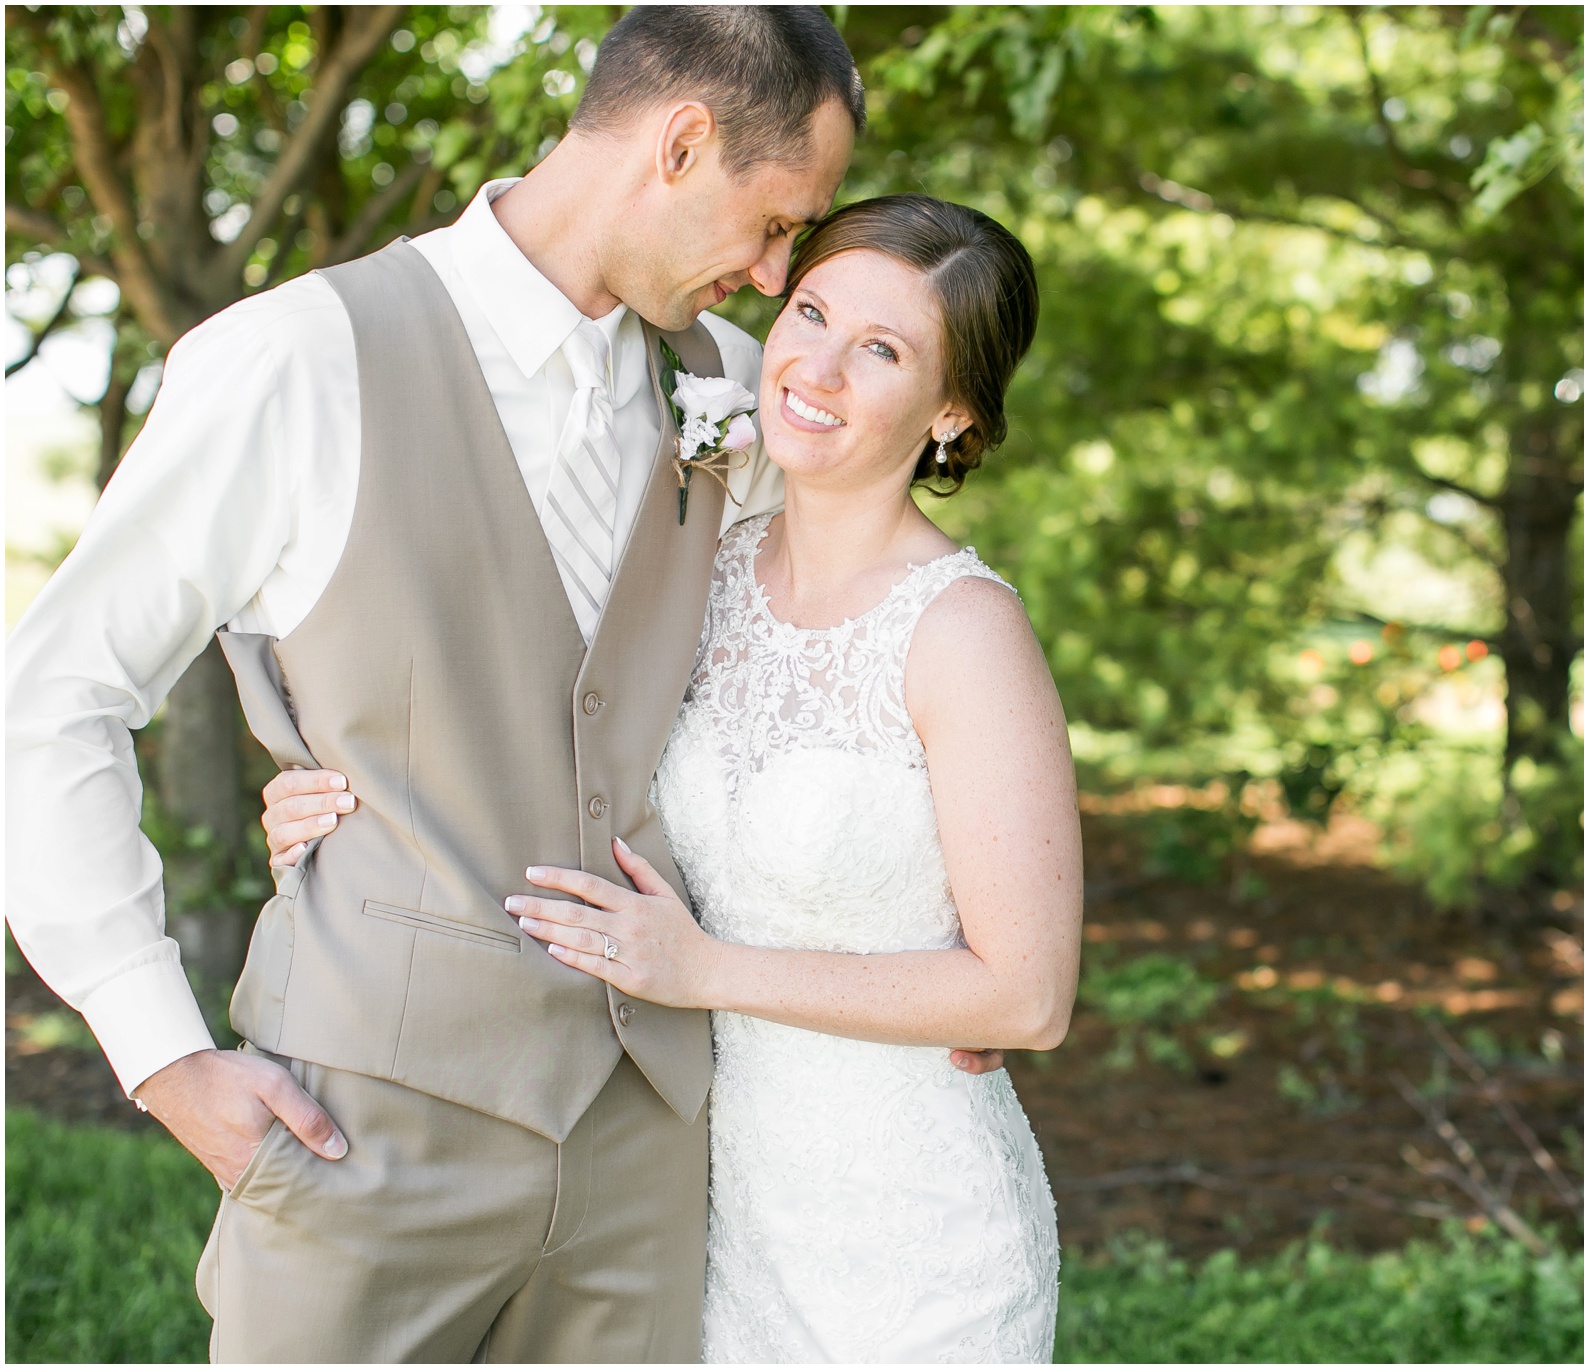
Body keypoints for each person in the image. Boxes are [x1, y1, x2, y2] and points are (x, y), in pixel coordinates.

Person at [5, 8, 1000, 1361]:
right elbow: (51, 696)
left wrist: (932, 951)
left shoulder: (726, 389)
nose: (778, 280)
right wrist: (158, 1049)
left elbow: (865, 617)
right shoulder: (298, 358)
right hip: (366, 1128)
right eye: (778, 226)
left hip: (649, 1151)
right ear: (683, 142)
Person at [264, 193, 1079, 1362]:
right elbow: (546, 748)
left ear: (950, 412)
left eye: (883, 350)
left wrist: (703, 969)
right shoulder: (710, 561)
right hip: (715, 1212)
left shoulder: (961, 631)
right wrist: (327, 802)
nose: (818, 366)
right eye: (810, 311)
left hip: (908, 1230)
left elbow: (1025, 996)